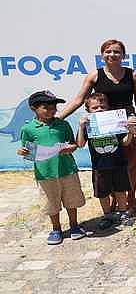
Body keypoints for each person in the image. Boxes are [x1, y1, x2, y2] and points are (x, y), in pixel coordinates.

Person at [58, 39, 136, 213]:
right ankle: (113, 200)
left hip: (127, 124)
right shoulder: (94, 76)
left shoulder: (133, 75)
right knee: (111, 163)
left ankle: (131, 197)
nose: (112, 54)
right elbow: (79, 100)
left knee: (130, 164)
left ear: (123, 55)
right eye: (108, 51)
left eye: (116, 52)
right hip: (103, 126)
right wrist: (58, 118)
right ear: (102, 55)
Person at [17, 91, 86, 245]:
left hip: (67, 169)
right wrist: (22, 151)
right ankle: (56, 229)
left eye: (54, 106)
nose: (51, 110)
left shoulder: (63, 124)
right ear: (33, 108)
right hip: (45, 173)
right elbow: (27, 150)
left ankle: (74, 225)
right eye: (46, 107)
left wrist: (71, 148)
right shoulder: (28, 129)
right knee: (51, 202)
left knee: (71, 200)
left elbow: (74, 143)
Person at [76, 93, 136, 230]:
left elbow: (125, 143)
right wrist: (81, 127)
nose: (99, 109)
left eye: (102, 106)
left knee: (120, 191)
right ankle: (107, 216)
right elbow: (80, 144)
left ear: (108, 108)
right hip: (99, 166)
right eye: (95, 107)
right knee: (102, 193)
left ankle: (123, 214)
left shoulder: (116, 123)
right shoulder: (88, 125)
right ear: (88, 110)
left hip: (118, 163)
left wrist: (130, 132)